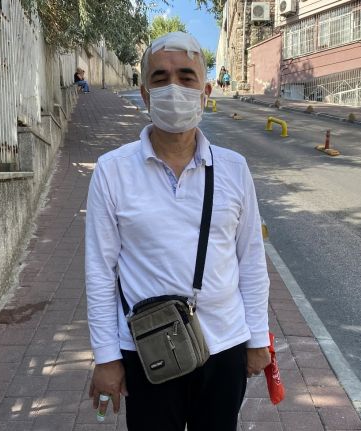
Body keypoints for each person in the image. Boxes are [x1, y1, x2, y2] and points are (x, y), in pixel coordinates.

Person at [86, 31, 271, 431]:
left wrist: (258, 339)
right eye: (160, 78)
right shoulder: (112, 171)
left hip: (224, 346)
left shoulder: (234, 169)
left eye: (187, 77)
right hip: (148, 349)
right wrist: (106, 357)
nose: (174, 87)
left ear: (205, 92)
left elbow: (252, 261)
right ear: (145, 94)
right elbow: (100, 271)